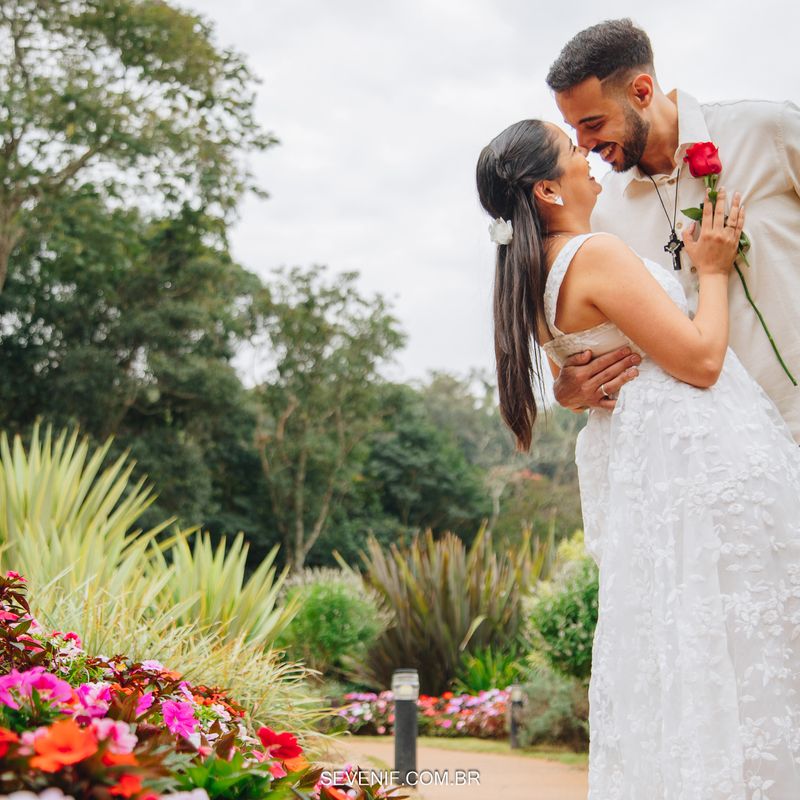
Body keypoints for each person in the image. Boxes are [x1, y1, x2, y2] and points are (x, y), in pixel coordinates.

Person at [476, 119, 800, 798]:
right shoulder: (594, 253)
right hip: (699, 466)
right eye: (572, 151)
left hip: (650, 476)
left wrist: (568, 391)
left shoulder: (531, 278)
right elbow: (702, 361)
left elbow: (576, 375)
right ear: (547, 190)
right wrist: (712, 270)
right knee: (752, 640)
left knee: (692, 647)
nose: (587, 158)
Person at [544, 19, 800, 440]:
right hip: (716, 451)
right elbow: (590, 347)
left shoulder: (768, 132)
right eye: (574, 129)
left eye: (593, 123)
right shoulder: (601, 215)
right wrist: (568, 392)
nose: (583, 144)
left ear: (642, 92)